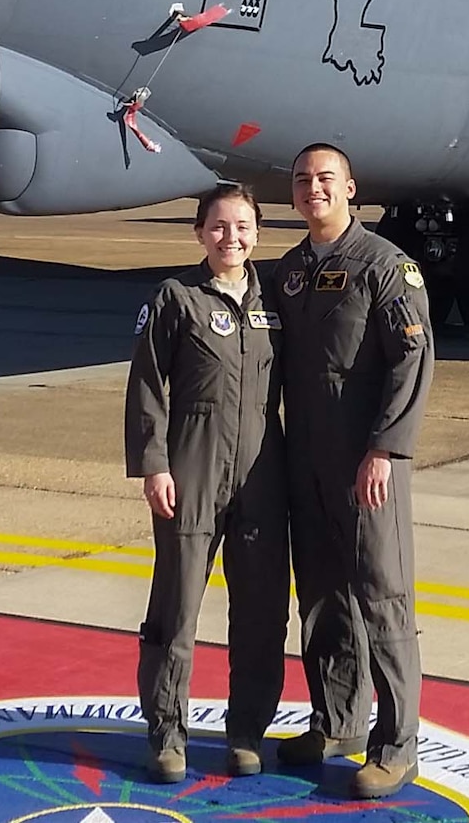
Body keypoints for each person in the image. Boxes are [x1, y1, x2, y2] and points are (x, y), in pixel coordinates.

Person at [270, 143, 434, 799]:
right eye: (304, 180)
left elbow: (411, 362)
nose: (315, 188)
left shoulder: (385, 266)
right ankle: (336, 719)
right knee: (323, 599)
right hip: (304, 457)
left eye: (326, 179)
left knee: (382, 599)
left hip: (365, 463)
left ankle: (396, 745)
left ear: (350, 188)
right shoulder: (288, 272)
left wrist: (386, 449)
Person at [125, 184, 290, 783]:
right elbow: (146, 383)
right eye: (218, 227)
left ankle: (246, 731)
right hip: (191, 466)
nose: (231, 238)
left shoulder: (276, 300)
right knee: (177, 605)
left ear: (257, 234)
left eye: (243, 226)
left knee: (261, 609)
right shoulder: (176, 298)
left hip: (261, 471)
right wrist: (153, 464)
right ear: (199, 233)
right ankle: (168, 734)